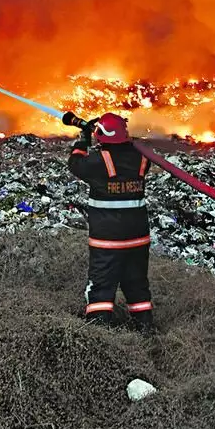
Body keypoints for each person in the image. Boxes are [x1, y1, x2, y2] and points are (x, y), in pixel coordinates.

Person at [67, 112, 155, 333]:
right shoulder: (142, 158)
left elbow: (76, 163)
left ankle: (99, 334)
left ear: (102, 137)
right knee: (137, 285)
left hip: (108, 240)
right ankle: (146, 330)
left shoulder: (99, 161)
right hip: (137, 238)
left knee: (101, 288)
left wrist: (83, 139)